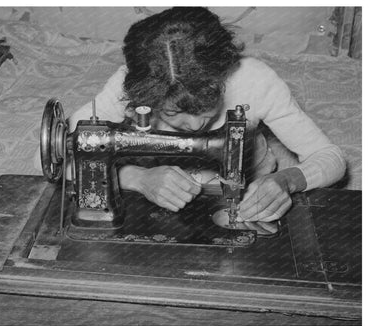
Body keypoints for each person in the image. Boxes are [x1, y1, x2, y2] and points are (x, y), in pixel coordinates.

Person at [66, 7, 346, 234]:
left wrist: (287, 180)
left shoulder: (255, 80)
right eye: (173, 113)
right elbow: (61, 155)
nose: (194, 126)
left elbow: (330, 157)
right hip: (150, 198)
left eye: (206, 107)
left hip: (248, 193)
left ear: (223, 74)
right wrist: (135, 178)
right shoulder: (129, 88)